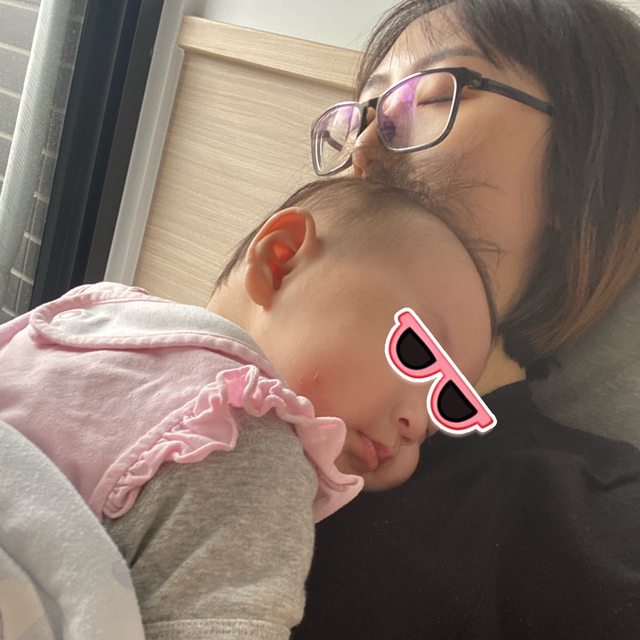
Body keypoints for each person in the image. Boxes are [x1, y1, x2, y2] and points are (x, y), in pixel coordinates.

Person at [0, 177, 496, 639]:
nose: (418, 424)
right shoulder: (252, 448)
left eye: (446, 409)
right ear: (281, 260)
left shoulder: (90, 315)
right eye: (418, 354)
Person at [293, 1, 640, 638]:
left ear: (579, 173)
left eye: (429, 97)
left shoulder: (597, 530)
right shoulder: (221, 378)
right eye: (362, 115)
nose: (363, 151)